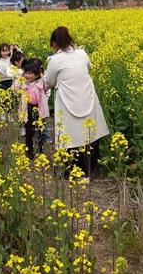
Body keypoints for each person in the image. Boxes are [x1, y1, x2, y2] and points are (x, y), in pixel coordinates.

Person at [44, 26, 109, 178]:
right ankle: (91, 168)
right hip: (87, 96)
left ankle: (69, 171)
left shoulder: (54, 60)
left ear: (54, 44)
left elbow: (50, 81)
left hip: (67, 101)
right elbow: (89, 67)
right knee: (89, 133)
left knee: (71, 134)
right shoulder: (82, 53)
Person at [17, 63, 50, 160]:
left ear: (36, 75)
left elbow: (47, 84)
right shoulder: (23, 83)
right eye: (26, 72)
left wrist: (42, 74)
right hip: (28, 109)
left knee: (40, 130)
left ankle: (40, 149)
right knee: (28, 131)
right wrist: (21, 77)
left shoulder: (40, 83)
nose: (27, 75)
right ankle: (29, 150)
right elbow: (15, 88)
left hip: (39, 109)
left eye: (30, 73)